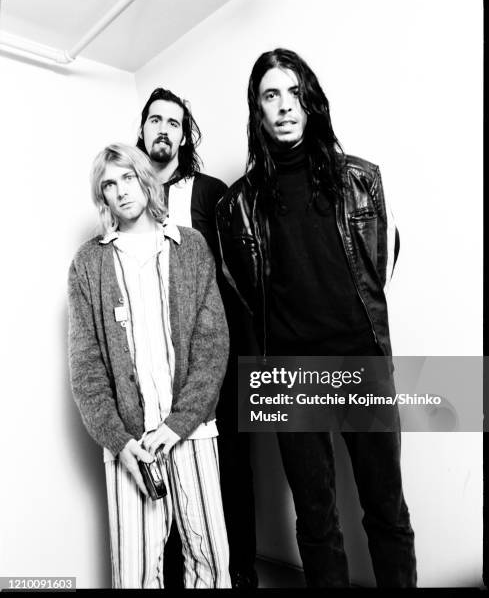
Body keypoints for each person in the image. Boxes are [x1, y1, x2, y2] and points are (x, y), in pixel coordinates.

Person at [216, 48, 417, 588]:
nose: (284, 107)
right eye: (270, 96)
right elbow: (243, 291)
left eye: (293, 93)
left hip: (361, 365)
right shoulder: (236, 207)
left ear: (311, 101)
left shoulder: (362, 181)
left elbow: (383, 264)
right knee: (317, 523)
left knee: (387, 513)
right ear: (258, 112)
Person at [68, 143, 231, 589]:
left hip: (192, 432)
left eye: (127, 177)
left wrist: (179, 424)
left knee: (212, 563)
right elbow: (86, 368)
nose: (121, 191)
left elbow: (212, 346)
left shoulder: (190, 245)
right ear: (102, 197)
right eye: (108, 184)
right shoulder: (89, 263)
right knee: (136, 574)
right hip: (129, 445)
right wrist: (120, 443)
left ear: (145, 178)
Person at [137, 88, 258, 588]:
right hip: (156, 363)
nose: (164, 129)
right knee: (164, 471)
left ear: (184, 137)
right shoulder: (129, 195)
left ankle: (241, 574)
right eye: (155, 120)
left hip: (218, 361)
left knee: (229, 466)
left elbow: (244, 275)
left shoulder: (209, 193)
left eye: (175, 123)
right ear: (142, 130)